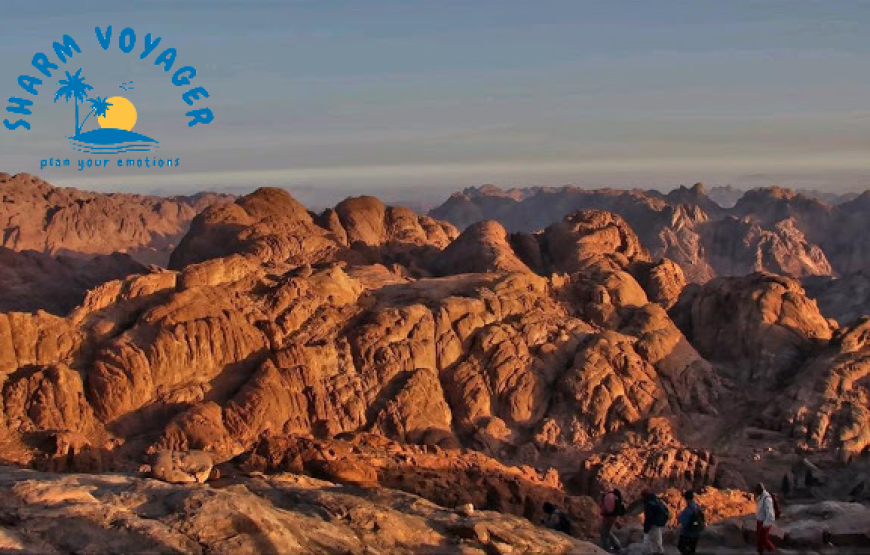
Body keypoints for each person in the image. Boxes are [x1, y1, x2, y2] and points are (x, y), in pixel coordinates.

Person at [677, 489, 704, 555]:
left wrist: (679, 516)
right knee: (692, 550)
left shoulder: (688, 510)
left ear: (687, 499)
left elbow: (683, 521)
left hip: (688, 533)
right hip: (696, 533)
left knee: (681, 547)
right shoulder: (697, 507)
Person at [642, 489, 669, 555]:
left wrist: (646, 528)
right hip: (658, 524)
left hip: (652, 525)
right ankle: (658, 551)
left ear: (644, 496)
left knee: (654, 542)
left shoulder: (649, 504)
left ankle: (657, 552)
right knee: (657, 540)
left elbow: (649, 517)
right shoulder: (657, 501)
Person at [599, 484, 624, 553]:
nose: (601, 491)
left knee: (604, 535)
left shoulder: (609, 496)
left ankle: (606, 551)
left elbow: (610, 510)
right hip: (610, 517)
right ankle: (617, 545)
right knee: (607, 531)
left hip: (608, 518)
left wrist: (604, 513)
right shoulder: (612, 495)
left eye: (602, 488)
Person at [754, 483, 777, 554]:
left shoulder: (767, 498)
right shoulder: (761, 497)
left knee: (763, 539)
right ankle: (760, 552)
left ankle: (772, 551)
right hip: (759, 521)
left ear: (761, 489)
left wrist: (765, 524)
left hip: (764, 522)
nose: (755, 491)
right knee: (759, 539)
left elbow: (770, 514)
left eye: (756, 490)